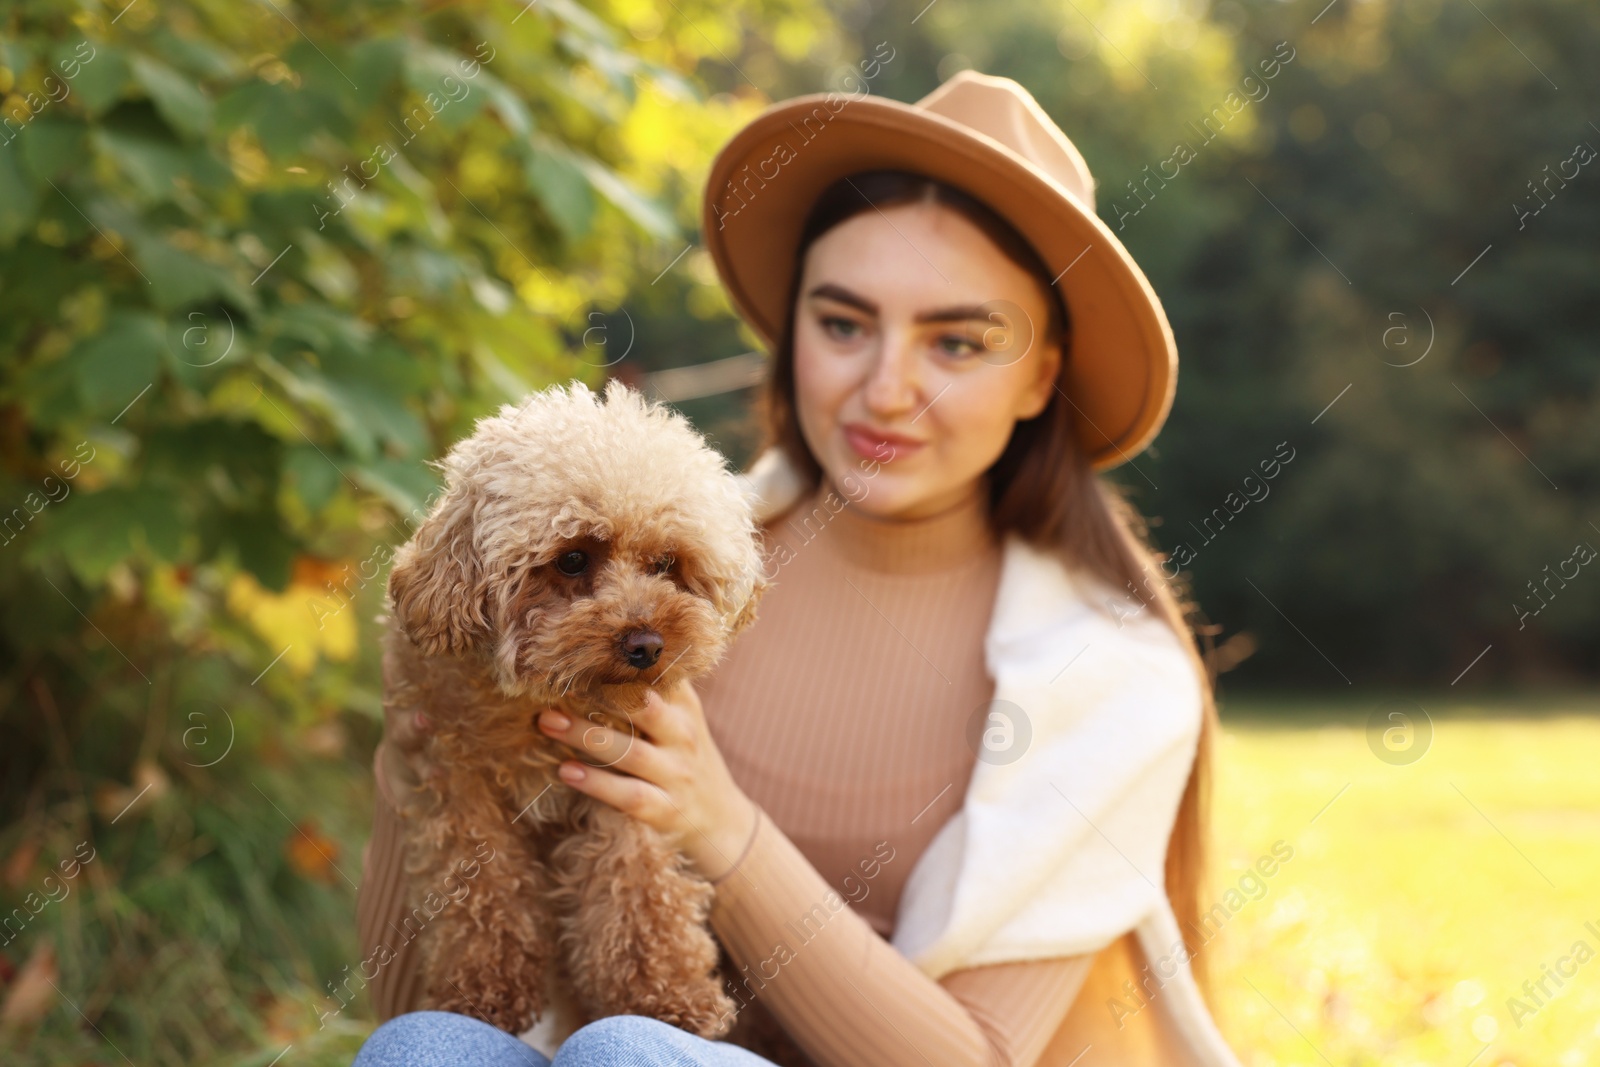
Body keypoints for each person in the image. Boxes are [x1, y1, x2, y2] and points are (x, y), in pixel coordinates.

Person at [351, 70, 1247, 1067]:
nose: (887, 386)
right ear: (790, 336)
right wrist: (417, 761)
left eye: (956, 340)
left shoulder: (1107, 678)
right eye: (842, 322)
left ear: (1042, 374)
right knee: (426, 1046)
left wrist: (722, 827)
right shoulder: (670, 546)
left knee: (630, 1054)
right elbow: (439, 1008)